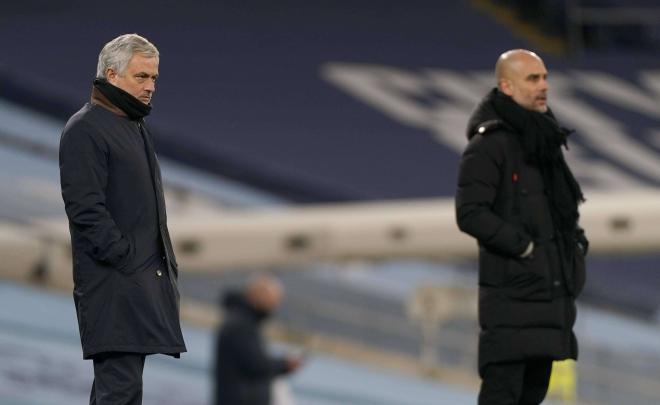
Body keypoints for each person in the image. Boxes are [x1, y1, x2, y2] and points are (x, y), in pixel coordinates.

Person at [455, 49, 588, 405]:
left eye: (545, 77)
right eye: (533, 78)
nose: (544, 85)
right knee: (502, 396)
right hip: (513, 301)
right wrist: (525, 248)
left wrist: (574, 248)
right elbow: (470, 213)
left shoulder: (544, 141)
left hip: (548, 301)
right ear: (507, 86)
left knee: (532, 397)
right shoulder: (489, 146)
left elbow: (560, 215)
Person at [59, 33, 186, 405]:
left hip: (135, 283)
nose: (150, 87)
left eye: (154, 79)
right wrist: (124, 256)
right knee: (121, 390)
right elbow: (85, 209)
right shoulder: (86, 129)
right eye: (141, 77)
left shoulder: (132, 126)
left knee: (118, 390)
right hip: (115, 283)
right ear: (111, 75)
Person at [214, 275, 303, 405]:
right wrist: (285, 365)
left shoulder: (241, 321)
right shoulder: (242, 325)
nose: (273, 307)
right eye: (272, 301)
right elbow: (256, 364)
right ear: (258, 297)